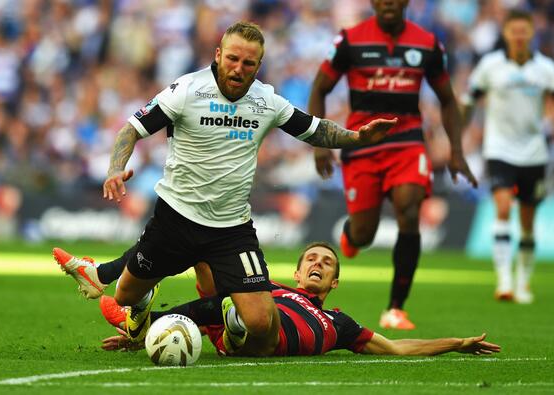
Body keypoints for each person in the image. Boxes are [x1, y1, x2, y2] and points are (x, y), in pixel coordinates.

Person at [53, 21, 397, 356]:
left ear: (258, 66)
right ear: (218, 55)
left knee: (262, 322)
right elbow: (132, 129)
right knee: (125, 296)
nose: (238, 68)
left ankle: (231, 320)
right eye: (232, 58)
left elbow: (314, 129)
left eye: (248, 63)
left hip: (231, 231)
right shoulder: (187, 89)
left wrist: (357, 137)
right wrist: (115, 168)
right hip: (176, 218)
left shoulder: (267, 102)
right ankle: (137, 300)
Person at [307, 0, 477, 330]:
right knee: (364, 233)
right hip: (362, 143)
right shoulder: (350, 40)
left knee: (409, 211)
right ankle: (352, 238)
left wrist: (456, 150)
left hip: (408, 143)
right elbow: (319, 88)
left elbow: (447, 99)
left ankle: (396, 309)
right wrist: (320, 142)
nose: (388, 3)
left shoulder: (427, 43)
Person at [99, 242, 501, 357]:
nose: (317, 264)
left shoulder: (340, 323)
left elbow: (396, 347)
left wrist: (456, 344)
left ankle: (228, 324)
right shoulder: (270, 287)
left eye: (326, 263)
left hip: (265, 335)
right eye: (310, 258)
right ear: (296, 272)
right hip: (250, 314)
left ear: (335, 282)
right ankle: (148, 318)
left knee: (254, 309)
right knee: (209, 256)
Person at [462, 9, 554, 304]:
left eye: (523, 30)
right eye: (513, 30)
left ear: (531, 33)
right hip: (499, 149)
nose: (518, 35)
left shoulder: (545, 69)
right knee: (502, 207)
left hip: (534, 153)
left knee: (527, 221)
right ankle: (503, 281)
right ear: (505, 33)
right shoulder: (491, 66)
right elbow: (469, 99)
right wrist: (457, 138)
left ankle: (523, 282)